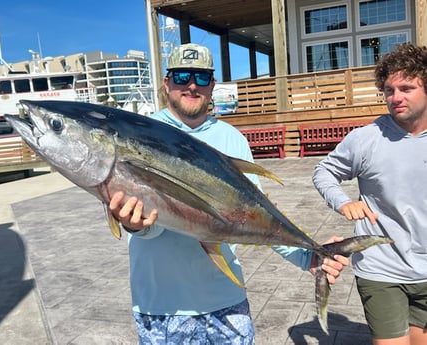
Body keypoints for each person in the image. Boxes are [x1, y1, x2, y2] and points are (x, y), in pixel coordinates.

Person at [109, 43, 348, 344]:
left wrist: (307, 256)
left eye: (201, 77)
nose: (192, 85)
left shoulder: (232, 139)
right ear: (167, 82)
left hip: (226, 303)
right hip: (162, 307)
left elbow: (256, 215)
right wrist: (134, 224)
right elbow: (148, 227)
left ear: (212, 86)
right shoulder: (139, 130)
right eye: (182, 76)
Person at [312, 42, 427, 345]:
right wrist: (343, 201)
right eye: (389, 90)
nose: (396, 97)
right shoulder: (366, 139)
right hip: (381, 268)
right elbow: (324, 171)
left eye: (406, 88)